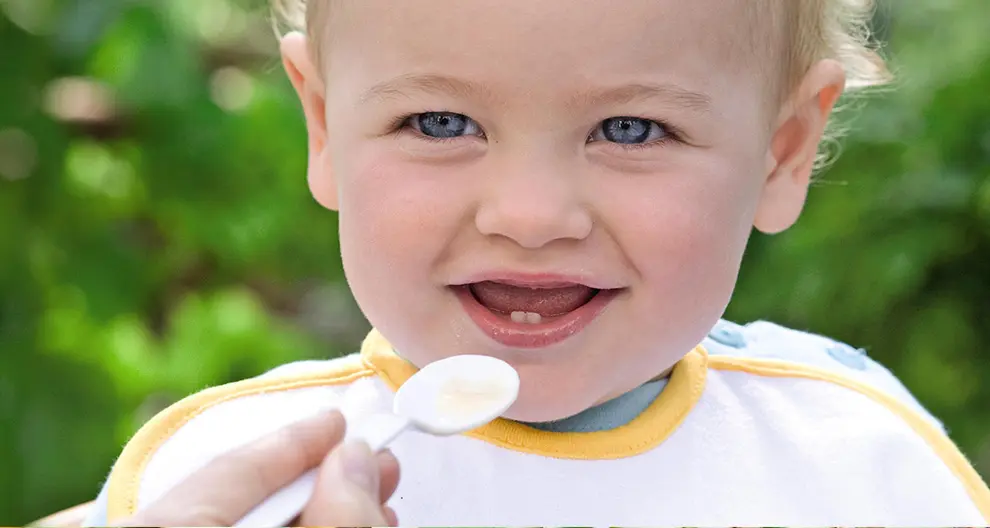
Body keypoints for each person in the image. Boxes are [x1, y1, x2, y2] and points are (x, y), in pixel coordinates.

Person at [83, 0, 990, 525]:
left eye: (630, 129)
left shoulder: (862, 468)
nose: (529, 217)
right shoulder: (232, 489)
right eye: (440, 123)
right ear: (323, 127)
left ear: (780, 152)